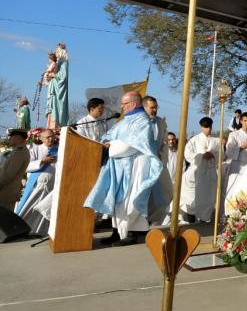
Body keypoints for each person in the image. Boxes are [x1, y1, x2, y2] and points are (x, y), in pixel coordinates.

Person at [84, 91, 166, 246]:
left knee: (130, 200)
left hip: (136, 165)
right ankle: (117, 232)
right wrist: (106, 141)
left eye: (124, 104)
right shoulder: (125, 120)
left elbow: (133, 143)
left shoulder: (142, 121)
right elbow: (109, 135)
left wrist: (111, 146)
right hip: (120, 164)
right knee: (118, 200)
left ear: (133, 104)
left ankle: (131, 234)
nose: (121, 107)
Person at [15, 129, 57, 234]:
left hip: (53, 187)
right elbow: (26, 166)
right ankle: (22, 230)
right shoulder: (35, 149)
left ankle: (44, 231)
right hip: (37, 186)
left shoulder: (59, 149)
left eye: (52, 136)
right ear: (41, 138)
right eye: (48, 137)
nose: (51, 139)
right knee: (30, 209)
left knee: (47, 211)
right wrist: (42, 161)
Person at [181, 117, 221, 222]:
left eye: (209, 127)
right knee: (192, 195)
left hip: (210, 172)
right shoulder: (194, 140)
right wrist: (202, 156)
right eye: (205, 127)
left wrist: (212, 155)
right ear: (201, 127)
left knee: (208, 196)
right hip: (197, 170)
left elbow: (222, 155)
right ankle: (191, 216)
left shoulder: (216, 141)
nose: (207, 129)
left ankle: (204, 218)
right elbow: (187, 154)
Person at [143, 96, 172, 225]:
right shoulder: (139, 122)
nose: (154, 110)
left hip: (157, 163)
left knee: (166, 192)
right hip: (142, 164)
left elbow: (163, 142)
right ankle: (139, 224)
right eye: (152, 107)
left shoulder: (160, 122)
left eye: (156, 107)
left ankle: (149, 220)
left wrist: (161, 156)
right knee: (143, 195)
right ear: (144, 107)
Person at [0, 129, 31, 211]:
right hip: (7, 193)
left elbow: (8, 175)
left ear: (18, 137)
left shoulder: (19, 152)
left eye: (11, 137)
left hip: (6, 193)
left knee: (3, 221)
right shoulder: (18, 150)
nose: (9, 139)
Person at [45, 43, 69, 129]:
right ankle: (50, 127)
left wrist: (53, 75)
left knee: (56, 108)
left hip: (58, 89)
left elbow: (63, 76)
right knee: (52, 108)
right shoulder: (58, 62)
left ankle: (55, 127)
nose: (56, 53)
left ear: (61, 52)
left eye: (57, 51)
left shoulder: (64, 62)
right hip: (54, 87)